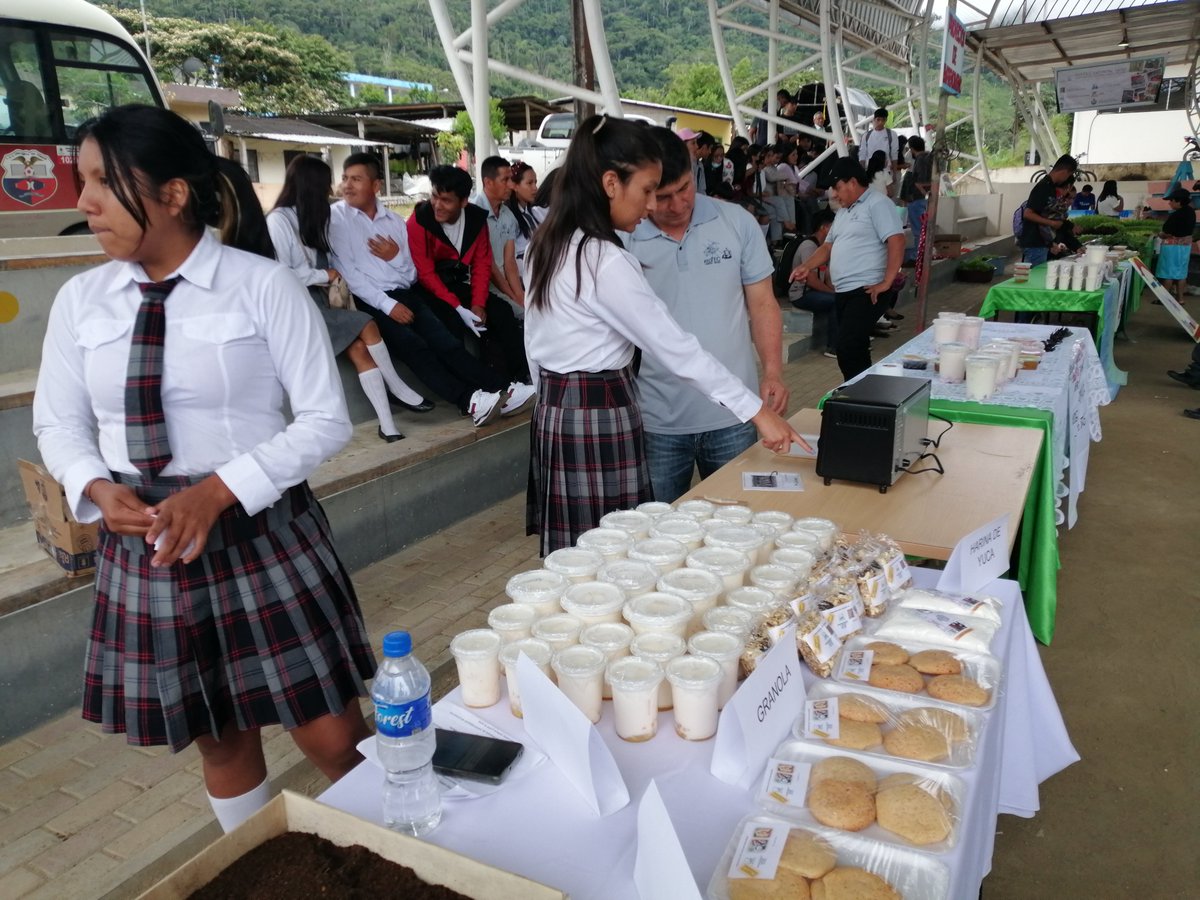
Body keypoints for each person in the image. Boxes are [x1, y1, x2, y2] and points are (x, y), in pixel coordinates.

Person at [32, 104, 374, 836]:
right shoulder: (81, 301)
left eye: (101, 181)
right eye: (80, 180)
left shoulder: (260, 286)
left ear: (174, 194)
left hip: (258, 535)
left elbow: (325, 420)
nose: (84, 202)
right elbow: (57, 421)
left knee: (334, 739)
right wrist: (94, 484)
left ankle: (420, 852)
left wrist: (218, 491)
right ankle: (252, 861)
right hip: (152, 547)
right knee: (220, 733)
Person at [523, 114, 805, 554]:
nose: (653, 205)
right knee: (617, 551)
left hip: (559, 411)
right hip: (601, 413)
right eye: (648, 191)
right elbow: (675, 349)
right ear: (612, 183)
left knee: (584, 553)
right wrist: (757, 412)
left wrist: (553, 402)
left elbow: (533, 343)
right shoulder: (606, 259)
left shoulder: (552, 241)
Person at [626, 127, 790, 502]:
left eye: (684, 188)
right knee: (660, 535)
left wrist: (773, 371)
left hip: (735, 416)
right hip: (658, 421)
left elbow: (763, 303)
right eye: (662, 197)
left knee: (739, 523)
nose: (678, 204)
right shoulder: (625, 238)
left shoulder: (736, 222)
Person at [329, 152, 514, 425]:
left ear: (376, 185)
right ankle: (469, 400)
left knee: (447, 340)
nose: (347, 185)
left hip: (404, 293)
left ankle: (504, 389)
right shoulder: (337, 220)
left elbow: (410, 272)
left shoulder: (392, 221)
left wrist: (394, 257)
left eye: (356, 179)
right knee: (414, 346)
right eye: (345, 178)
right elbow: (350, 276)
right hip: (370, 302)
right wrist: (389, 305)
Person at [267, 155, 432, 444]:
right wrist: (323, 275)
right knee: (367, 322)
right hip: (296, 306)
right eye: (329, 182)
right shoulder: (279, 221)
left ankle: (387, 424)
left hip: (322, 301)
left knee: (359, 350)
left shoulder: (311, 216)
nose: (336, 187)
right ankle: (397, 388)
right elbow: (282, 274)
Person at [789, 157, 904, 380]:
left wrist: (887, 282)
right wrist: (806, 266)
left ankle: (859, 395)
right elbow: (827, 247)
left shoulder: (878, 204)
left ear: (852, 182)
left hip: (867, 291)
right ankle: (860, 395)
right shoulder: (842, 213)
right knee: (853, 347)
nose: (834, 194)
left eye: (838, 188)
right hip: (844, 292)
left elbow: (896, 241)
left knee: (848, 346)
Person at [786, 208, 839, 359]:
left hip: (815, 292)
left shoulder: (824, 248)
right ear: (824, 227)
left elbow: (827, 275)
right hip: (802, 294)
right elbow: (811, 279)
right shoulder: (809, 246)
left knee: (846, 297)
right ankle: (833, 347)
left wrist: (834, 290)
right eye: (833, 226)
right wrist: (832, 293)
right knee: (837, 301)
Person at [1019, 154, 1077, 267]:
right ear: (1064, 172)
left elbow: (1046, 214)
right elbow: (1028, 214)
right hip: (1034, 243)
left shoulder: (1050, 187)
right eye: (1069, 174)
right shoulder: (1043, 187)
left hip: (1041, 244)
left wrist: (1051, 243)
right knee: (1033, 280)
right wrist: (1053, 223)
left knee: (1036, 279)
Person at [1156, 187, 1196, 306]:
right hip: (1185, 247)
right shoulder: (1191, 212)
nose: (1170, 203)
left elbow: (1167, 232)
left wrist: (1160, 234)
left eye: (1171, 200)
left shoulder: (1176, 215)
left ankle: (1164, 299)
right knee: (1181, 273)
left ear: (1179, 201)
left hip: (1172, 248)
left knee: (1168, 273)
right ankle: (1180, 299)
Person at [505, 160, 542, 278]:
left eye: (535, 182)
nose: (535, 188)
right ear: (515, 186)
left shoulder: (532, 214)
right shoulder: (508, 218)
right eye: (529, 183)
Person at [900, 135, 932, 264]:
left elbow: (919, 182)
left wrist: (924, 193)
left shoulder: (920, 159)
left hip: (917, 199)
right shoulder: (930, 158)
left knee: (918, 230)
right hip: (923, 200)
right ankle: (921, 254)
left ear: (912, 149)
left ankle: (917, 256)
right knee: (922, 229)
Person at [857, 108, 899, 175]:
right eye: (878, 119)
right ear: (874, 119)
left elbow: (894, 154)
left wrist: (894, 173)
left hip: (886, 171)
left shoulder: (892, 134)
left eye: (883, 120)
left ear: (886, 120)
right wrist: (862, 173)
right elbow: (862, 154)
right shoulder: (866, 135)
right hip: (869, 171)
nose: (880, 122)